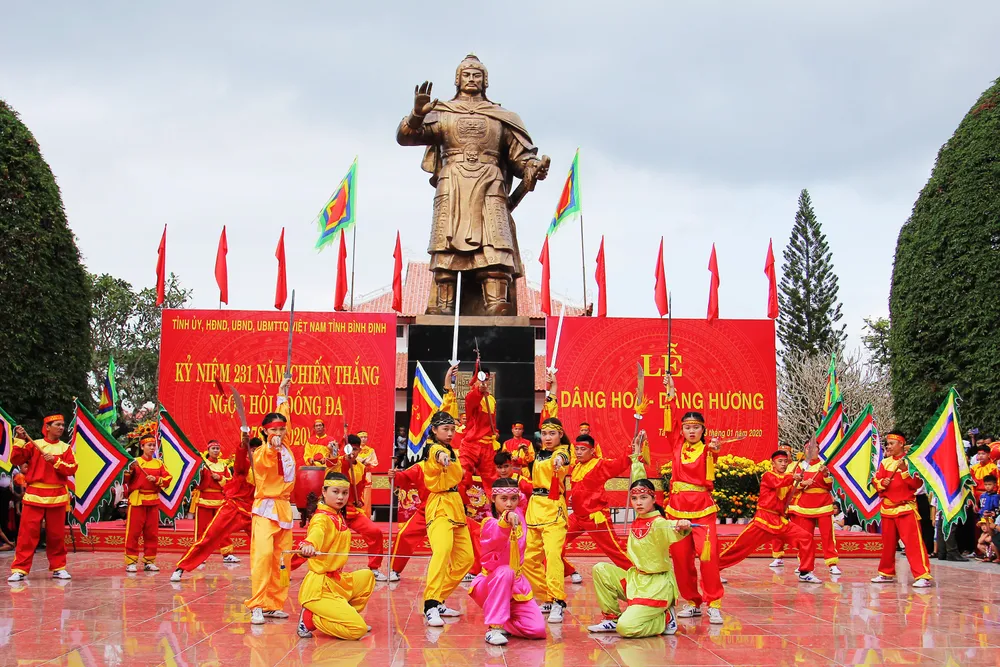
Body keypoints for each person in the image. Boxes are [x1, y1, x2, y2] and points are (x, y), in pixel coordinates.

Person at [587, 433, 691, 638]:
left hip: (655, 586)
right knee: (601, 569)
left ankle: (665, 618)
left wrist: (683, 525)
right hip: (636, 580)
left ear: (653, 499)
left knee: (627, 629)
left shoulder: (660, 523)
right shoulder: (638, 516)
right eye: (634, 498)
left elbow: (675, 529)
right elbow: (638, 478)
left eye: (644, 498)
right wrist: (635, 456)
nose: (638, 502)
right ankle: (611, 617)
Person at [388, 411, 472, 627]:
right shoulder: (433, 450)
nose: (450, 433)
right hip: (438, 506)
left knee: (466, 559)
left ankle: (439, 598)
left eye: (452, 429)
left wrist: (448, 456)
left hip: (455, 506)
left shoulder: (452, 451)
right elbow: (436, 453)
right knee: (442, 551)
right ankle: (430, 604)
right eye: (445, 429)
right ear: (434, 430)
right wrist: (395, 476)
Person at [661, 376, 725, 624]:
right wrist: (670, 392)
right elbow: (670, 421)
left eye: (695, 427)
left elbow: (714, 455)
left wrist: (716, 449)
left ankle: (714, 603)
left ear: (703, 430)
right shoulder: (676, 444)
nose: (690, 430)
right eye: (687, 427)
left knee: (707, 557)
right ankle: (693, 601)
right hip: (677, 509)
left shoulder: (708, 449)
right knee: (680, 558)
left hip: (702, 510)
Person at [719, 450, 822, 583]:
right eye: (780, 461)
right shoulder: (769, 475)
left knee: (806, 538)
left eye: (786, 461)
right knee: (740, 547)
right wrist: (793, 478)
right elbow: (778, 482)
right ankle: (714, 569)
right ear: (772, 463)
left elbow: (790, 490)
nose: (783, 464)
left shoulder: (786, 478)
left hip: (779, 521)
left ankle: (805, 571)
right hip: (764, 520)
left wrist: (801, 484)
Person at [296, 471, 375, 640]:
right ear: (324, 492)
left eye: (344, 493)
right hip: (320, 588)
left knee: (367, 576)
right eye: (335, 492)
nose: (341, 497)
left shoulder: (336, 515)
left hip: (336, 581)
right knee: (357, 630)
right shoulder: (322, 518)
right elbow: (316, 533)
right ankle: (312, 619)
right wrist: (309, 545)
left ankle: (343, 615)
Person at [468, 476, 546, 646]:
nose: (509, 504)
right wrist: (507, 517)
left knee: (537, 630)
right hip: (490, 585)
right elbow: (498, 529)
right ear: (493, 499)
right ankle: (494, 628)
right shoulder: (489, 523)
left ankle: (505, 620)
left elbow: (523, 499)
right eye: (503, 499)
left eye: (513, 499)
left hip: (517, 586)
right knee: (505, 571)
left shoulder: (520, 514)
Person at [172, 433, 260, 581]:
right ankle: (181, 567)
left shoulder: (266, 468)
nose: (256, 453)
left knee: (264, 542)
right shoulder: (244, 465)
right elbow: (239, 463)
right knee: (209, 536)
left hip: (253, 511)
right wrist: (243, 446)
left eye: (259, 450)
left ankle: (280, 569)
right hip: (234, 507)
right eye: (254, 450)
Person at [246, 378, 298, 624]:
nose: (278, 434)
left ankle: (274, 604)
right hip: (266, 509)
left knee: (281, 559)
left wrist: (282, 393)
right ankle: (257, 604)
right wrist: (271, 446)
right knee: (263, 556)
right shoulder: (260, 453)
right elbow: (267, 461)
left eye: (281, 430)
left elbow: (284, 414)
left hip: (284, 509)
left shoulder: (287, 446)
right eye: (274, 430)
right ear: (265, 431)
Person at [8, 415, 77, 582]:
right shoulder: (34, 445)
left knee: (56, 535)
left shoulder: (65, 448)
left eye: (62, 425)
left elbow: (72, 468)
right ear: (47, 427)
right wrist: (19, 440)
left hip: (57, 496)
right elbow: (15, 459)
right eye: (57, 425)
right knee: (27, 534)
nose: (61, 427)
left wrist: (54, 460)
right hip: (34, 495)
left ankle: (58, 567)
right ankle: (20, 569)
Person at [561, 433, 634, 586]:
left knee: (615, 550)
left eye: (583, 449)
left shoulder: (599, 465)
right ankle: (569, 571)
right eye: (577, 449)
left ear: (592, 451)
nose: (579, 452)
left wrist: (630, 450)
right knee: (555, 542)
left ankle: (640, 574)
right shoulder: (577, 466)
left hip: (595, 516)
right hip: (577, 517)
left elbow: (620, 464)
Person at [520, 412, 572, 624]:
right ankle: (548, 596)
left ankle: (558, 600)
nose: (548, 437)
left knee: (552, 556)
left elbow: (563, 459)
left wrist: (559, 461)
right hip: (535, 508)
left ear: (560, 435)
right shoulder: (538, 454)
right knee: (529, 560)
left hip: (553, 510)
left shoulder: (563, 452)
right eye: (544, 433)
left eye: (552, 433)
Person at [871, 430, 933, 588]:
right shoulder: (885, 462)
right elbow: (876, 480)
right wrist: (881, 483)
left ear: (901, 444)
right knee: (888, 543)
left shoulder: (911, 462)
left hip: (905, 507)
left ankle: (922, 575)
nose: (888, 446)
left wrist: (905, 470)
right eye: (887, 444)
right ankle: (886, 573)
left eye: (891, 443)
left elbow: (917, 485)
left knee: (912, 543)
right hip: (887, 507)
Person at [333, 435, 387, 582]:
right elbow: (330, 464)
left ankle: (374, 569)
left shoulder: (362, 468)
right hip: (335, 512)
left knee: (375, 532)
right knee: (328, 539)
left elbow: (361, 488)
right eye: (350, 449)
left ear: (359, 450)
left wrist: (359, 502)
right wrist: (343, 459)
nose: (352, 452)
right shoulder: (337, 463)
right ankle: (288, 567)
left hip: (352, 511)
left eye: (355, 449)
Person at [783, 438, 841, 575]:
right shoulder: (799, 467)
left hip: (823, 504)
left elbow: (830, 486)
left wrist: (825, 474)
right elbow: (790, 486)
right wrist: (803, 484)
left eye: (814, 448)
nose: (811, 450)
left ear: (818, 450)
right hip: (804, 505)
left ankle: (832, 563)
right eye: (808, 448)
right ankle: (803, 563)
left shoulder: (824, 465)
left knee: (827, 535)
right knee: (805, 536)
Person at [124, 435, 172, 572]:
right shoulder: (135, 462)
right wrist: (130, 470)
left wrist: (157, 479)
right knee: (133, 532)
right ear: (142, 447)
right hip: (138, 500)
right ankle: (131, 561)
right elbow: (126, 478)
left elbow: (168, 477)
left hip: (153, 500)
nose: (151, 448)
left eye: (153, 445)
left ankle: (149, 560)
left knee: (152, 533)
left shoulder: (158, 463)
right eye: (149, 445)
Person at [189, 440, 235, 562]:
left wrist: (219, 477)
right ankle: (199, 554)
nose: (215, 451)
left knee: (222, 527)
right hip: (204, 499)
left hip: (220, 500)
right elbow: (196, 481)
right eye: (213, 448)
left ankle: (227, 554)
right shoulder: (203, 464)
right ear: (208, 450)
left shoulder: (223, 465)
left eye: (217, 448)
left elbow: (230, 482)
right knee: (202, 529)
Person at [975, 474, 998, 561]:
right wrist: (981, 512)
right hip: (982, 520)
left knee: (989, 538)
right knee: (980, 543)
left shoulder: (996, 496)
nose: (987, 487)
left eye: (990, 484)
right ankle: (989, 555)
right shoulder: (982, 496)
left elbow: (996, 509)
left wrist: (992, 513)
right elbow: (981, 507)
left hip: (991, 521)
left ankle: (995, 554)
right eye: (986, 485)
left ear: (995, 485)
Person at [356, 431, 379, 516]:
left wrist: (367, 464)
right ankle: (355, 515)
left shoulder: (370, 450)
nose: (363, 439)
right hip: (356, 474)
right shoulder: (355, 449)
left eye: (365, 437)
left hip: (367, 475)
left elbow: (375, 462)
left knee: (366, 497)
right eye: (361, 437)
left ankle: (366, 515)